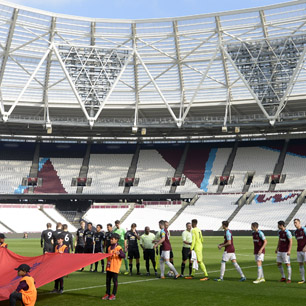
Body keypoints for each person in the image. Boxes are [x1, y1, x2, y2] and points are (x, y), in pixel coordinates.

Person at [102, 233, 125, 301]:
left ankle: (113, 294)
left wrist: (120, 254)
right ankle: (107, 293)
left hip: (115, 267)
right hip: (109, 267)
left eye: (112, 239)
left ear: (116, 240)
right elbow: (107, 255)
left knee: (115, 281)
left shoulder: (119, 248)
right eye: (110, 239)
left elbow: (123, 256)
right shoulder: (109, 247)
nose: (111, 240)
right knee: (107, 281)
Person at [294, 218, 306, 284]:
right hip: (299, 250)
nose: (295, 224)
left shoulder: (304, 229)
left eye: (296, 222)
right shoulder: (295, 232)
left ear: (299, 222)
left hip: (305, 250)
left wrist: (305, 247)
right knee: (300, 264)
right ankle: (303, 279)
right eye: (294, 223)